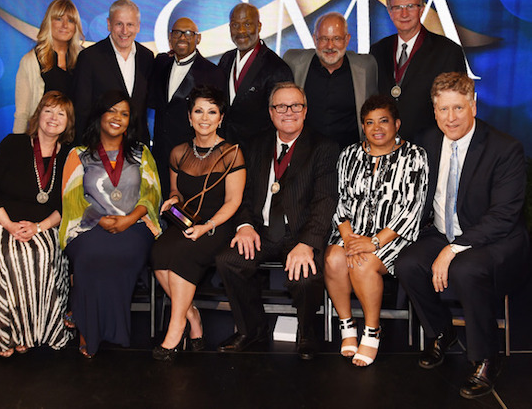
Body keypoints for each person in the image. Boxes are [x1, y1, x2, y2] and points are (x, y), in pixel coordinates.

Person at [394, 72, 529, 398]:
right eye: (443, 110)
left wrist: (453, 249)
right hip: (443, 232)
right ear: (434, 110)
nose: (450, 118)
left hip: (494, 238)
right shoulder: (427, 142)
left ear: (474, 105)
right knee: (408, 264)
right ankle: (443, 333)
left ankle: (486, 358)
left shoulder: (505, 149)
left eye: (458, 108)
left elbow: (503, 216)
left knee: (466, 269)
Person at [216, 82, 338, 360]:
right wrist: (244, 225)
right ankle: (252, 330)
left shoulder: (324, 147)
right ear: (271, 112)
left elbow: (325, 201)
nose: (288, 112)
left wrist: (308, 243)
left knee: (305, 277)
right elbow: (244, 194)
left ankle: (307, 331)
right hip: (261, 230)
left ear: (305, 111)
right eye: (280, 106)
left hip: (300, 232)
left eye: (295, 106)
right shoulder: (255, 145)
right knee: (229, 261)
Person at [324, 95, 428, 367]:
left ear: (397, 124)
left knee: (361, 265)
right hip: (352, 231)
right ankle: (347, 325)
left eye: (383, 121)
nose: (376, 128)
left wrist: (373, 242)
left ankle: (372, 329)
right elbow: (339, 199)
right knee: (333, 260)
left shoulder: (415, 156)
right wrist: (347, 237)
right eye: (369, 122)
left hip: (393, 235)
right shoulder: (349, 154)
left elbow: (412, 208)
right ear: (363, 126)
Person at [0, 91, 75, 357]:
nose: (53, 118)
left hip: (44, 224)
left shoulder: (69, 157)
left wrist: (39, 227)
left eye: (61, 113)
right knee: (9, 256)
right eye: (48, 110)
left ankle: (31, 332)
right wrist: (9, 225)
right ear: (38, 114)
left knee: (38, 257)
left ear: (68, 122)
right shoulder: (13, 144)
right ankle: (5, 334)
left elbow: (67, 204)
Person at [60, 90, 162, 358]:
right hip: (87, 225)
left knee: (122, 251)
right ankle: (87, 328)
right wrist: (99, 219)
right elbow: (71, 198)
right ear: (100, 115)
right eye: (112, 111)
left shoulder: (141, 154)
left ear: (130, 121)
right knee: (92, 254)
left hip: (135, 225)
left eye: (125, 113)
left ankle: (82, 312)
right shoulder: (79, 154)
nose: (118, 117)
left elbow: (152, 194)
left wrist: (129, 219)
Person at [151, 85, 246, 361]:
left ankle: (176, 325)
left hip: (218, 225)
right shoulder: (178, 152)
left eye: (212, 111)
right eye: (199, 111)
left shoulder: (232, 153)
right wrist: (172, 199)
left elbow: (233, 202)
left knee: (182, 257)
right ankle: (191, 313)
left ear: (221, 118)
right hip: (185, 221)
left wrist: (207, 226)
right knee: (158, 254)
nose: (205, 118)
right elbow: (176, 192)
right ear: (190, 117)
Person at [370, 0, 466, 141]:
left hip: (430, 146)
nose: (404, 13)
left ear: (421, 10)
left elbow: (456, 104)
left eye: (410, 6)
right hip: (385, 146)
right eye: (397, 7)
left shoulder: (448, 51)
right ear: (390, 13)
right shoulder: (377, 51)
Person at [150, 17, 225, 198]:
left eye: (189, 33)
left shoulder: (212, 73)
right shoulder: (160, 63)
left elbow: (218, 117)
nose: (182, 37)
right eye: (177, 32)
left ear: (198, 39)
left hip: (191, 159)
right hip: (158, 154)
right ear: (170, 37)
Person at [283, 12, 377, 150]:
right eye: (324, 39)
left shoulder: (366, 66)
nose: (330, 46)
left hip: (349, 155)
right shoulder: (293, 62)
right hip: (304, 154)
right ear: (315, 39)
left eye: (337, 38)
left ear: (347, 39)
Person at [73, 0, 154, 144]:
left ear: (138, 27)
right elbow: (81, 110)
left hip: (137, 148)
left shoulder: (147, 57)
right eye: (119, 24)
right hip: (99, 149)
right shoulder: (90, 57)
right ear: (109, 24)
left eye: (130, 24)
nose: (124, 31)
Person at [218, 3, 293, 154]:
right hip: (224, 152)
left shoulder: (277, 68)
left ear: (259, 26)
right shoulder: (226, 59)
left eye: (247, 24)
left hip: (258, 155)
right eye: (235, 25)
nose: (241, 31)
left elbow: (283, 120)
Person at [14, 0, 84, 133]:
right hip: (42, 139)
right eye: (58, 19)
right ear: (48, 22)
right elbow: (22, 113)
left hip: (77, 139)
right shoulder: (31, 61)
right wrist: (17, 144)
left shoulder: (84, 58)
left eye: (70, 21)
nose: (64, 25)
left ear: (75, 26)